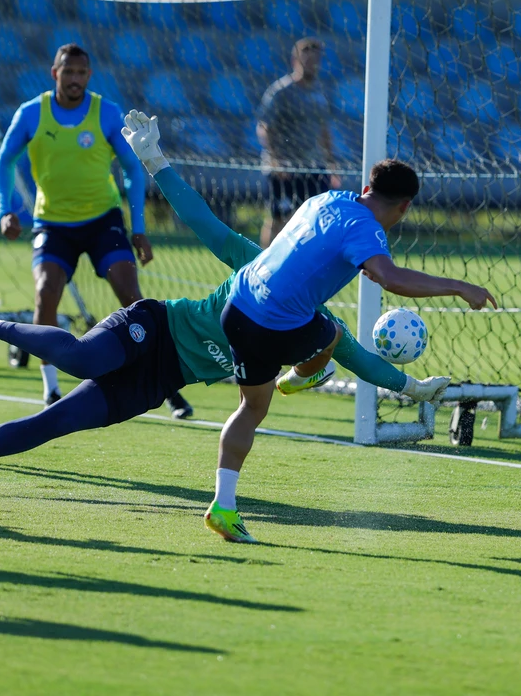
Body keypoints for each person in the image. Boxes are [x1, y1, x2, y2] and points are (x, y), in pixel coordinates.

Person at [0, 109, 450, 495]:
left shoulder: (310, 319)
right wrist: (154, 160)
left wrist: (415, 387)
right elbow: (202, 222)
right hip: (157, 326)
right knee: (81, 356)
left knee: (60, 422)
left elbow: (355, 357)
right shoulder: (253, 265)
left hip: (161, 380)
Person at [208, 132, 496, 543]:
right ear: (405, 206)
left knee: (251, 410)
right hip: (275, 321)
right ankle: (303, 374)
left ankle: (224, 507)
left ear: (365, 188)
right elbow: (392, 278)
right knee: (330, 333)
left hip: (237, 303)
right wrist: (459, 286)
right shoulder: (366, 230)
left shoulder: (325, 199)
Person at [0, 44, 192, 418]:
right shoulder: (32, 114)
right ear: (55, 73)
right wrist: (5, 212)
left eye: (82, 73)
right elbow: (4, 162)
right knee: (44, 294)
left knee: (132, 297)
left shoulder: (106, 113)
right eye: (68, 72)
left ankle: (164, 385)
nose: (75, 79)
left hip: (103, 221)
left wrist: (138, 228)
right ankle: (51, 390)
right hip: (52, 223)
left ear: (89, 75)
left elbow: (133, 171)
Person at [257, 36, 338, 247]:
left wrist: (331, 163)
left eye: (316, 60)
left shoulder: (320, 92)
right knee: (278, 219)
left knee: (313, 221)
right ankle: (263, 265)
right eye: (308, 59)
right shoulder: (281, 91)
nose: (313, 64)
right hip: (285, 168)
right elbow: (264, 127)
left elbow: (323, 130)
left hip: (313, 166)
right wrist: (276, 161)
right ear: (295, 61)